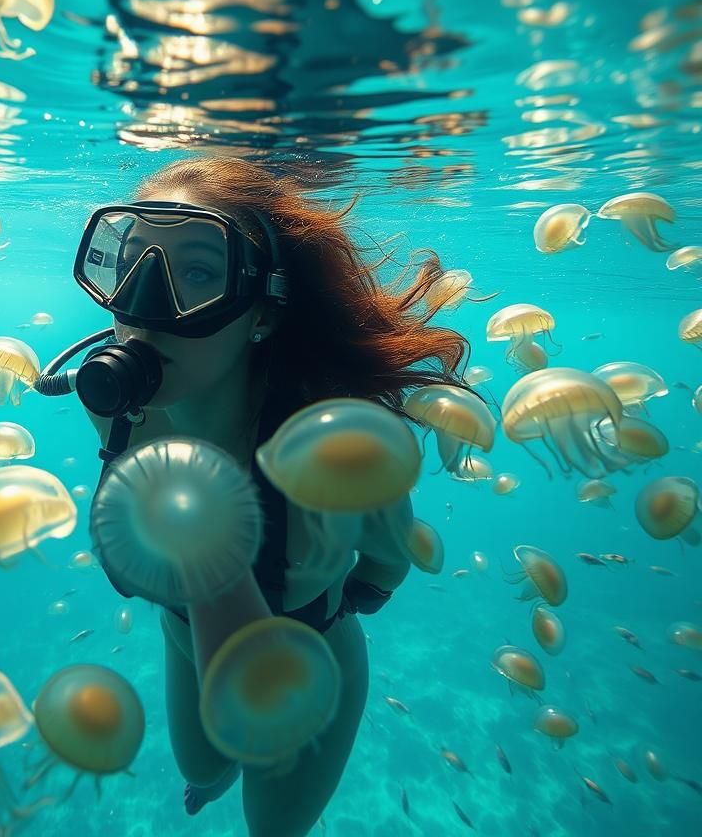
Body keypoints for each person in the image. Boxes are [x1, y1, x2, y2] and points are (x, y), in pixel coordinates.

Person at [74, 156, 470, 837]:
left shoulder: (333, 442)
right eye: (131, 265)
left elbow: (387, 558)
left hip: (310, 668)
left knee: (273, 829)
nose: (142, 305)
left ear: (261, 313)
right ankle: (209, 781)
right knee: (201, 765)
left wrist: (343, 595)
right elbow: (382, 573)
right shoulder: (116, 410)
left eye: (197, 272)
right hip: (183, 635)